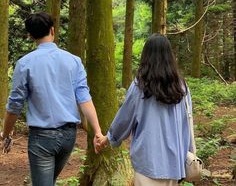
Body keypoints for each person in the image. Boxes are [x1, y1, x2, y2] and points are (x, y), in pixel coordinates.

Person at [0, 12, 102, 186]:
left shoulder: (24, 64)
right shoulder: (74, 61)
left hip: (42, 138)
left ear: (30, 35)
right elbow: (84, 98)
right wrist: (98, 131)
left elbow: (15, 105)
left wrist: (6, 133)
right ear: (52, 31)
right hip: (69, 137)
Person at [96, 34, 192, 186]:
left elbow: (124, 117)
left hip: (148, 161)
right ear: (169, 56)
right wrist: (187, 155)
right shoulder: (181, 87)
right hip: (174, 163)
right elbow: (186, 125)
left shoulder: (140, 87)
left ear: (146, 56)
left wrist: (109, 137)